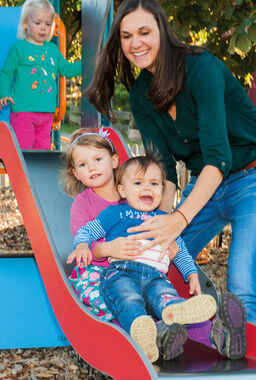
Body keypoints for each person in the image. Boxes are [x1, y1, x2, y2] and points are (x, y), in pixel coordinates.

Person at [85, 0, 256, 326]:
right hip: (203, 186)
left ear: (162, 32)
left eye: (144, 32)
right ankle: (155, 325)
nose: (135, 43)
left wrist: (178, 218)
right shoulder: (140, 95)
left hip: (249, 178)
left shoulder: (200, 69)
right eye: (126, 35)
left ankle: (246, 365)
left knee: (241, 285)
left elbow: (219, 157)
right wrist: (156, 223)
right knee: (153, 256)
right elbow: (161, 171)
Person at [73, 153, 246, 363]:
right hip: (121, 272)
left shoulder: (165, 219)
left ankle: (175, 312)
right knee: (128, 299)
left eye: (154, 184)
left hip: (156, 276)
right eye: (138, 183)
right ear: (122, 190)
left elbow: (180, 249)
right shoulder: (114, 213)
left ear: (162, 191)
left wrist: (191, 274)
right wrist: (82, 245)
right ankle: (143, 329)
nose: (147, 188)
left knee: (165, 296)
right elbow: (87, 231)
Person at [62, 128, 189, 361]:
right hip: (100, 270)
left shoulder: (137, 192)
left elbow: (162, 231)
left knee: (158, 291)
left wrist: (168, 250)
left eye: (98, 159)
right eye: (82, 165)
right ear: (76, 173)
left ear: (114, 161)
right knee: (120, 297)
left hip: (141, 268)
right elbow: (83, 244)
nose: (91, 167)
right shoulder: (82, 205)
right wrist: (108, 249)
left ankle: (208, 333)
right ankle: (150, 331)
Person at [0, 0, 82, 150]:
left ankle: (35, 174)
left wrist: (89, 62)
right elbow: (6, 73)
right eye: (38, 23)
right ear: (25, 24)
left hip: (46, 113)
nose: (43, 28)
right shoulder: (19, 48)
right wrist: (4, 93)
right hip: (24, 112)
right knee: (24, 153)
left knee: (41, 153)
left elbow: (67, 69)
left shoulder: (52, 49)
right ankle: (22, 173)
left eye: (47, 24)